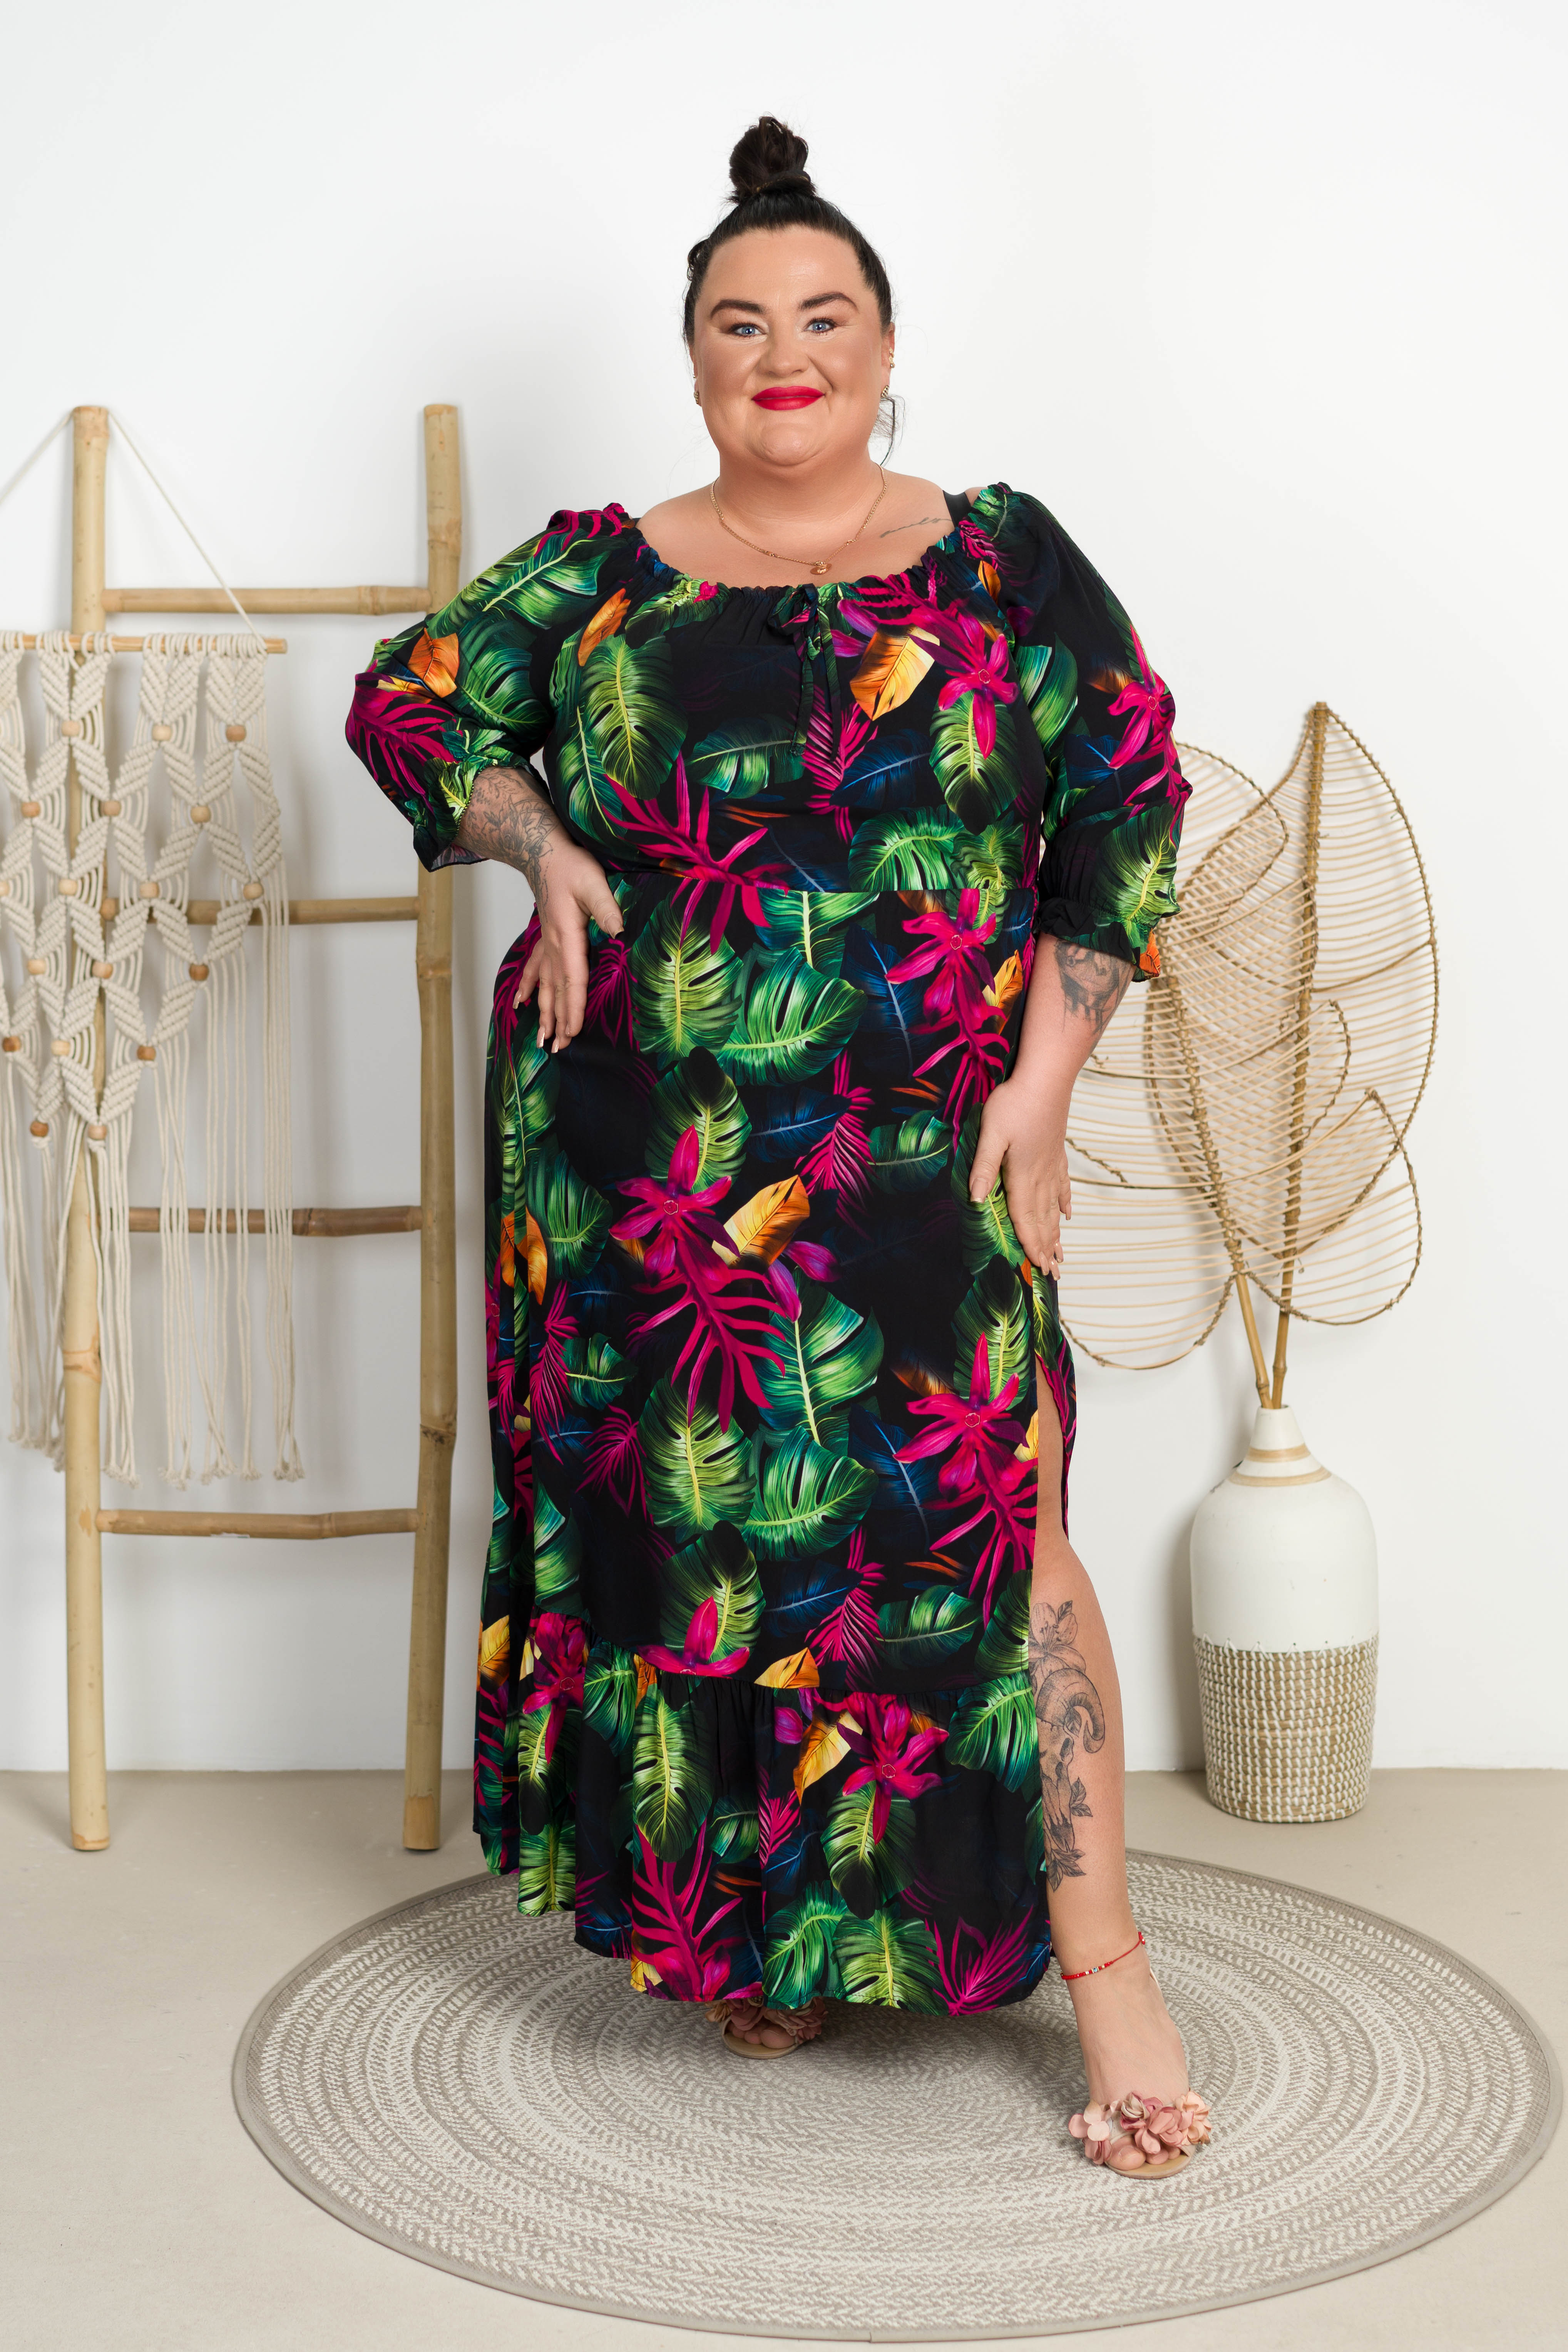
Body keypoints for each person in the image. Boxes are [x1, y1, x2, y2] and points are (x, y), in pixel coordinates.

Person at [348, 117, 1209, 2177]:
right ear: (695, 364)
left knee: (1001, 1526)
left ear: (888, 348)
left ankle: (1108, 1975)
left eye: (825, 315)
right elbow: (406, 706)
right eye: (740, 323)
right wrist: (538, 840)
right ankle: (775, 1936)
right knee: (719, 1549)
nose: (784, 353)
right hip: (649, 1171)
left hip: (934, 1155)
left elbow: (1128, 797)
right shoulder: (604, 572)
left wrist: (1044, 1084)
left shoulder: (1001, 558)